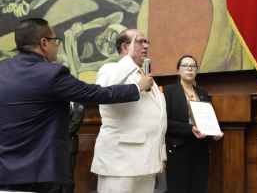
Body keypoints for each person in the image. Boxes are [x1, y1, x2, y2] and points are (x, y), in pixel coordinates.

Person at [0, 18, 154, 193]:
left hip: (5, 170)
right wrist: (137, 88)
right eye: (55, 40)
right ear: (44, 43)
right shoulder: (52, 74)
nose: (58, 45)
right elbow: (98, 93)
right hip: (38, 172)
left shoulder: (2, 70)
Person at [91, 29, 167, 193]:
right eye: (139, 42)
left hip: (148, 161)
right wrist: (129, 60)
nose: (145, 46)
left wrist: (161, 156)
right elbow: (103, 91)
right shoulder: (110, 69)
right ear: (125, 47)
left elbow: (158, 120)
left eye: (146, 42)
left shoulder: (147, 78)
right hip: (121, 162)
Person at [164, 55, 223, 193]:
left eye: (193, 66)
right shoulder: (170, 91)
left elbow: (208, 119)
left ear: (197, 70)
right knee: (178, 189)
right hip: (178, 149)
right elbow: (164, 122)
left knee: (198, 188)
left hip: (200, 148)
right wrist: (190, 129)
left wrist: (215, 133)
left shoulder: (203, 93)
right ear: (178, 70)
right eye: (185, 66)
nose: (189, 69)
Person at [61, 102, 85, 193]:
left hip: (69, 143)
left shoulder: (78, 102)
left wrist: (58, 135)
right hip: (53, 145)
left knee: (67, 176)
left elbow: (76, 123)